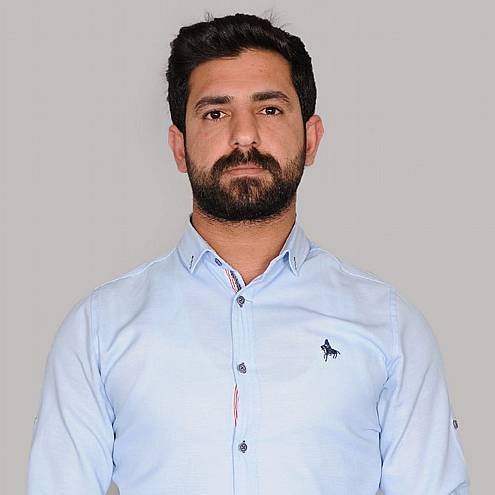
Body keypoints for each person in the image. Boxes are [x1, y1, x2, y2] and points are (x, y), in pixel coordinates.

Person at [27, 12, 470, 495]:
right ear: (179, 147)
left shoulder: (389, 325)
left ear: (312, 139)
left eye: (270, 110)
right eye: (215, 113)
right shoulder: (99, 330)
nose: (244, 136)